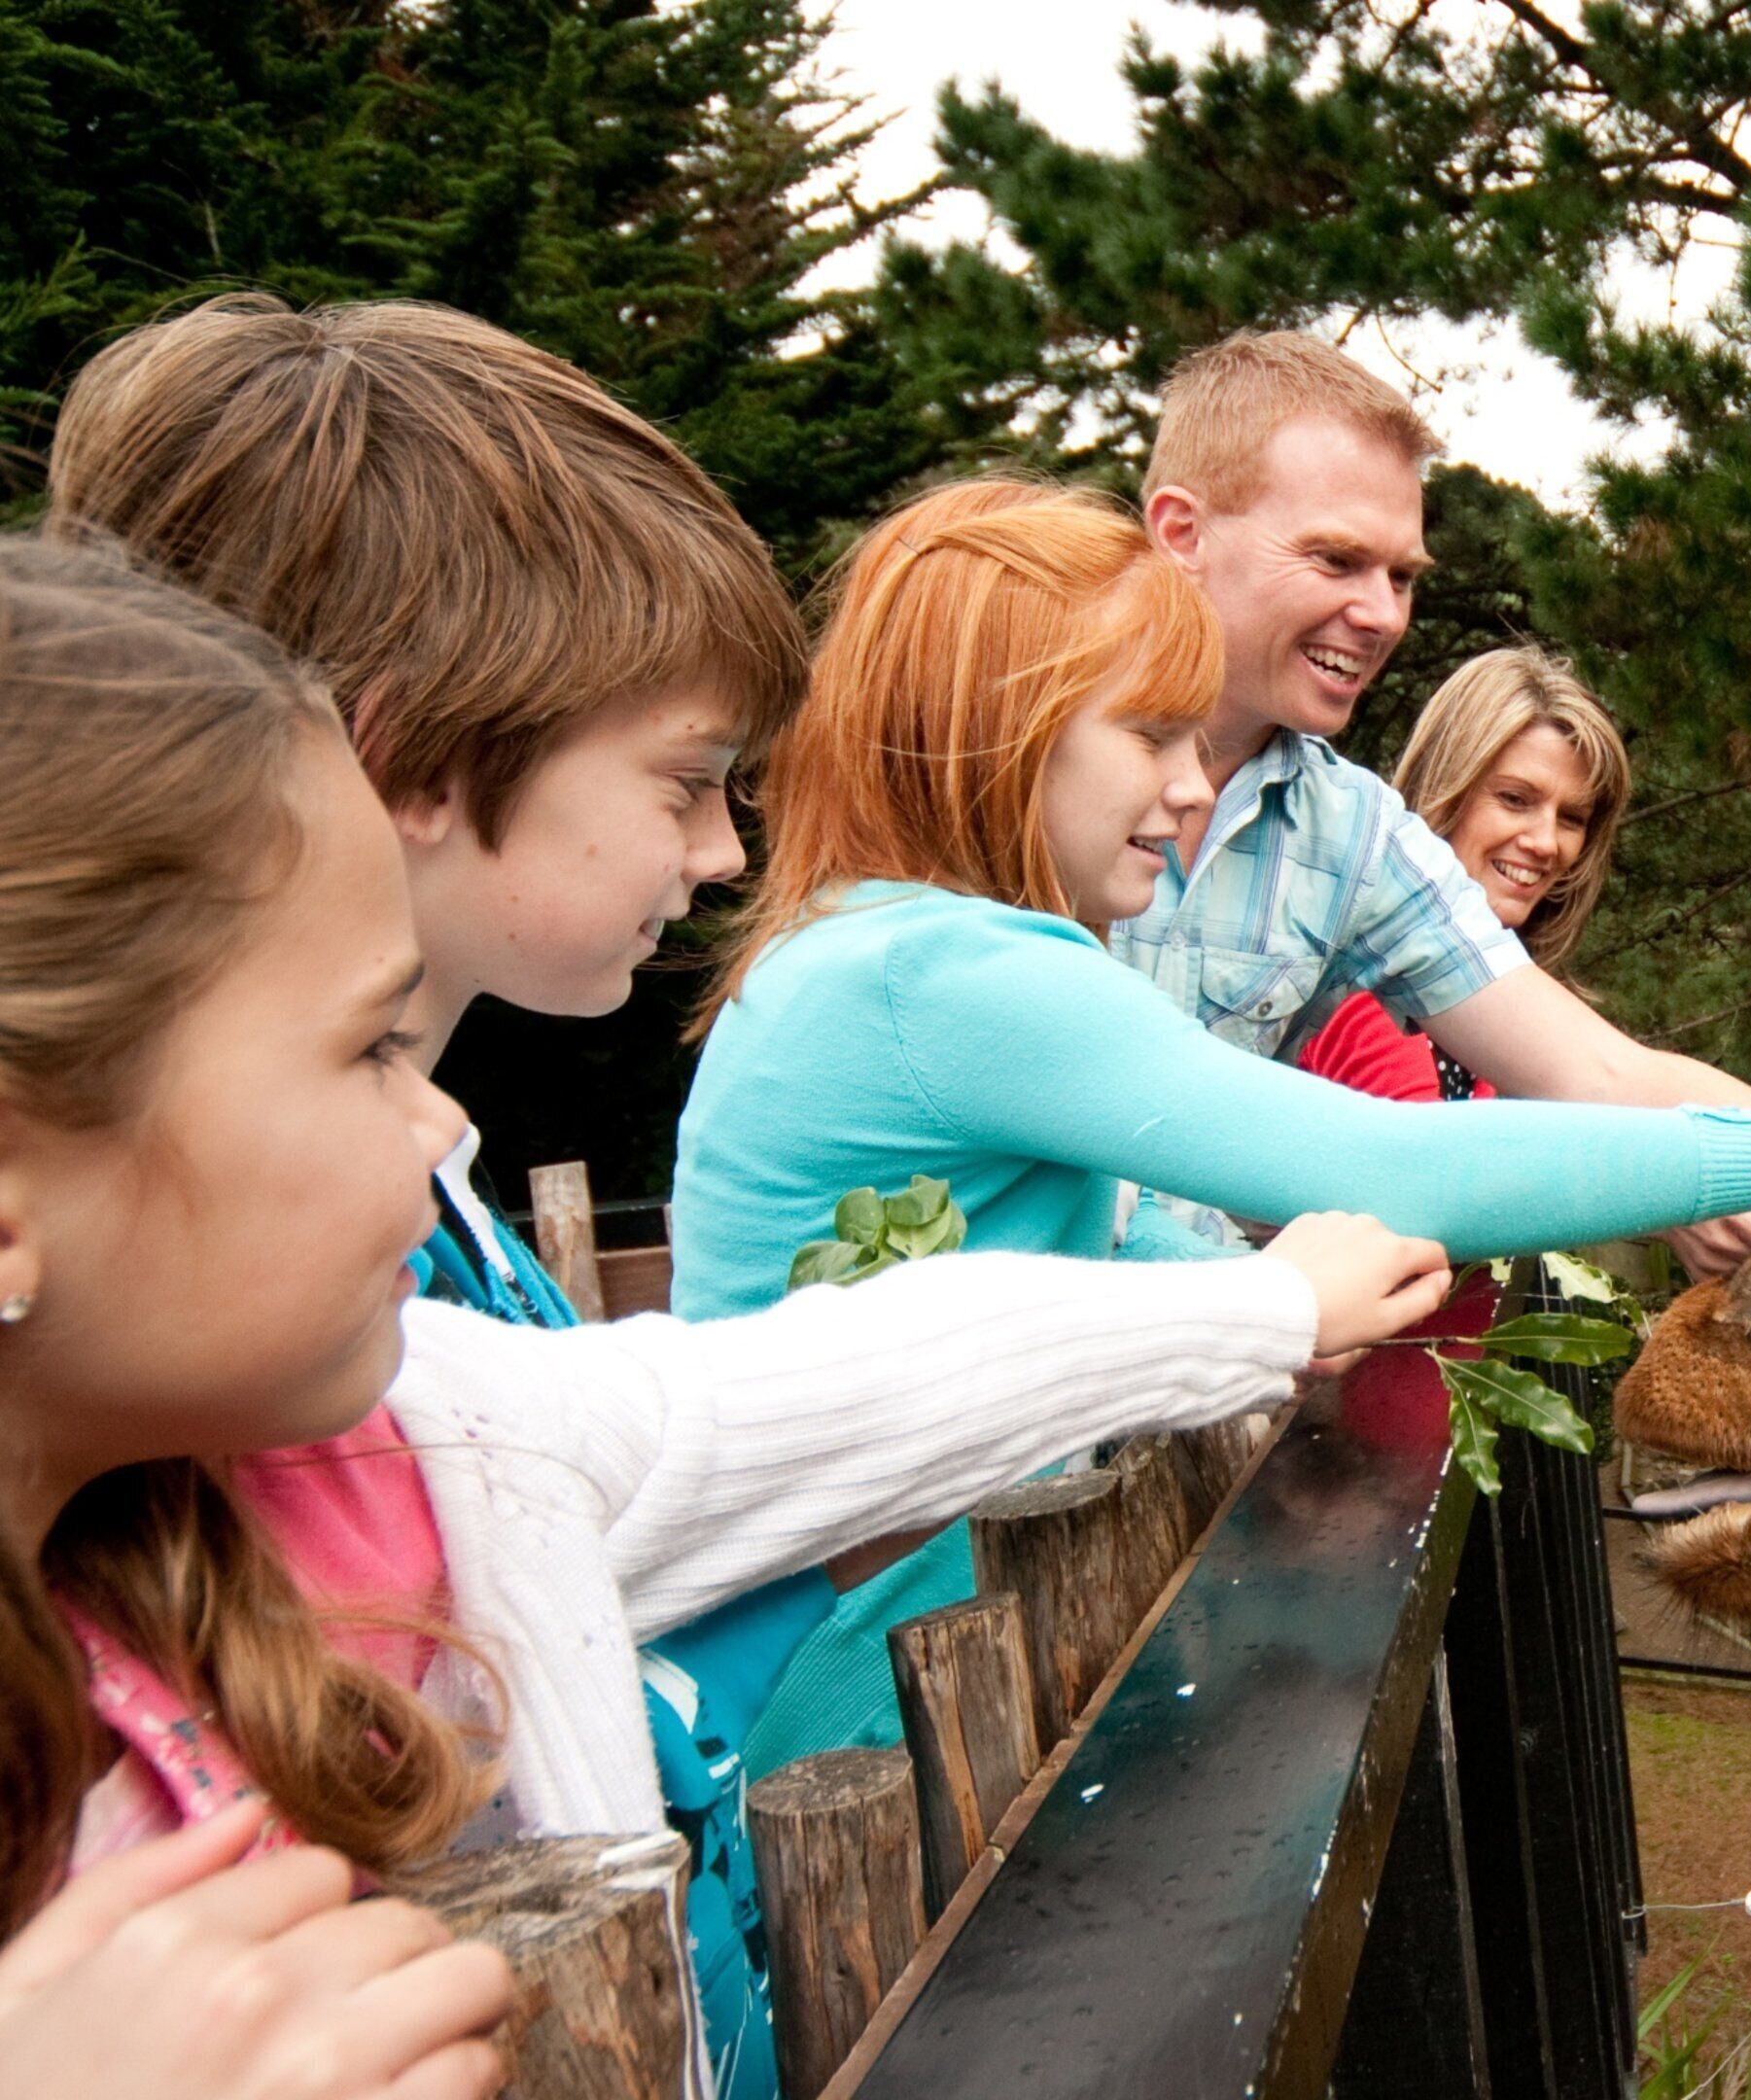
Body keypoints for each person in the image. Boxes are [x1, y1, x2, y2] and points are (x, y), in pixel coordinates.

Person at [0, 537, 1453, 2093]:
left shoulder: (403, 1446)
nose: (439, 1135)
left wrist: (1255, 1310)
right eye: (365, 1056)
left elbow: (843, 1378)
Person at [666, 479, 1751, 1778]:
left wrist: (1259, 1306)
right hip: (850, 1712)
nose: (1194, 791)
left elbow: (1078, 1280)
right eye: (1148, 736)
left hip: (890, 1685)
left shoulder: (893, 953)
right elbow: (1398, 1164)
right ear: (994, 729)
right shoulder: (950, 974)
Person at [40, 294, 813, 2092]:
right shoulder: (271, 1324)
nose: (721, 851)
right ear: (406, 757)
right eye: (691, 781)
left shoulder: (400, 1209)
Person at [1126, 331, 1751, 1272]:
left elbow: (1604, 1074)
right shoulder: (998, 753)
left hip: (1208, 1384)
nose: (1384, 615)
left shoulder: (1352, 833)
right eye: (1337, 561)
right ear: (1182, 533)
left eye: (1403, 576)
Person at [1295, 645, 1628, 1102]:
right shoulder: (1357, 985)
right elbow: (1435, 1161)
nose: (1546, 842)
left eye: (1572, 818)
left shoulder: (1522, 1013)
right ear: (1446, 788)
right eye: (1515, 799)